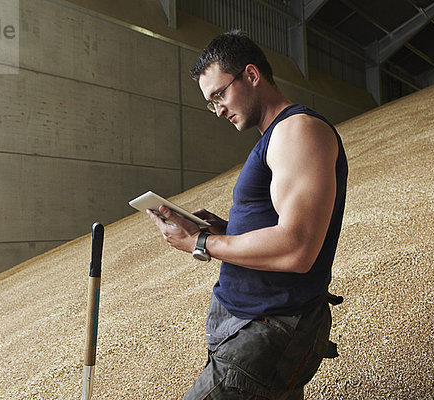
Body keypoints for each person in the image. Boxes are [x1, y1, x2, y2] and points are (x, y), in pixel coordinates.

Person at [146, 30, 347, 399]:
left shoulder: (298, 130)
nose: (218, 109)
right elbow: (277, 223)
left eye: (220, 94)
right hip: (251, 322)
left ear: (252, 75)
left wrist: (201, 241)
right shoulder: (276, 136)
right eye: (210, 102)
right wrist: (223, 228)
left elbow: (298, 248)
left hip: (269, 327)